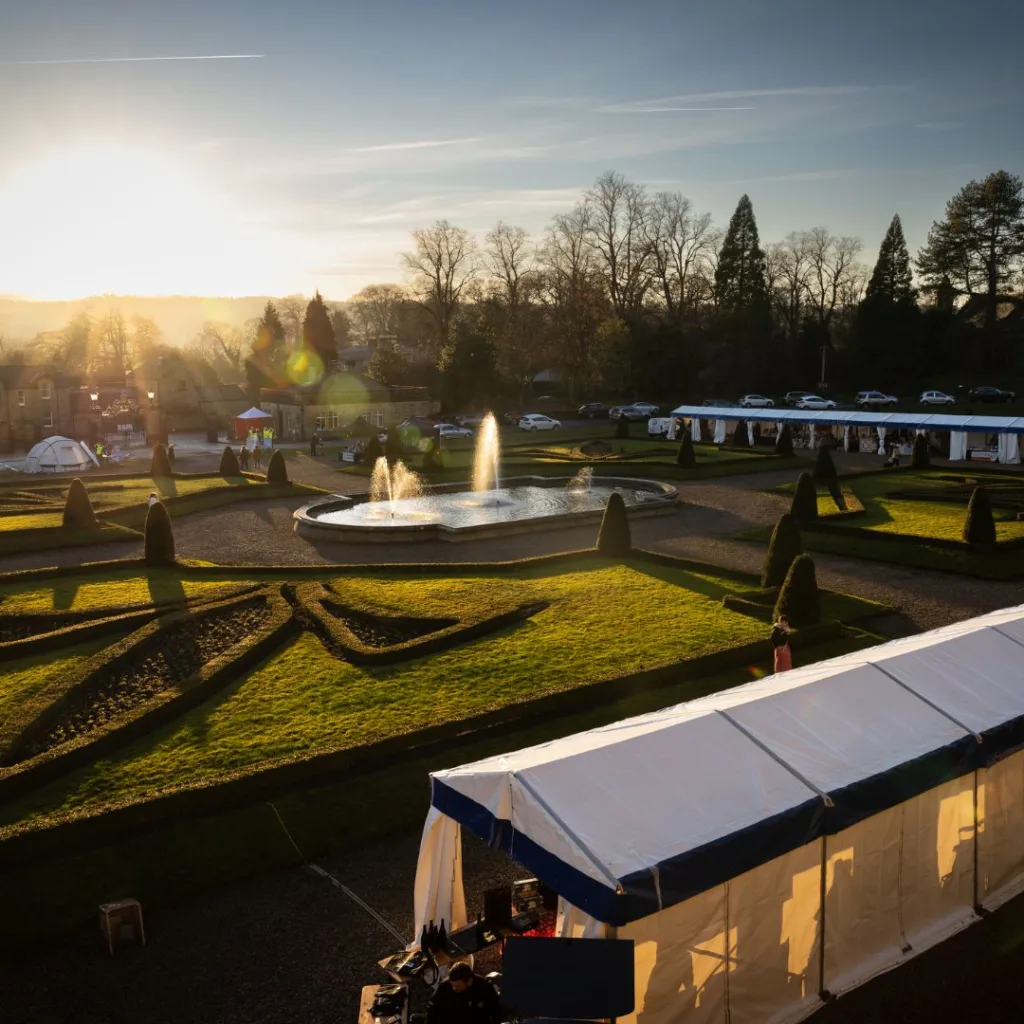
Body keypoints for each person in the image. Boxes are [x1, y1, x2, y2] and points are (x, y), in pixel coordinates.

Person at [426, 962, 502, 1024]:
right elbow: (432, 1009)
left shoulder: (484, 988)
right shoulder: (445, 987)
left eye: (458, 986)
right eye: (452, 985)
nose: (454, 988)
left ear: (469, 981)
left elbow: (496, 1012)